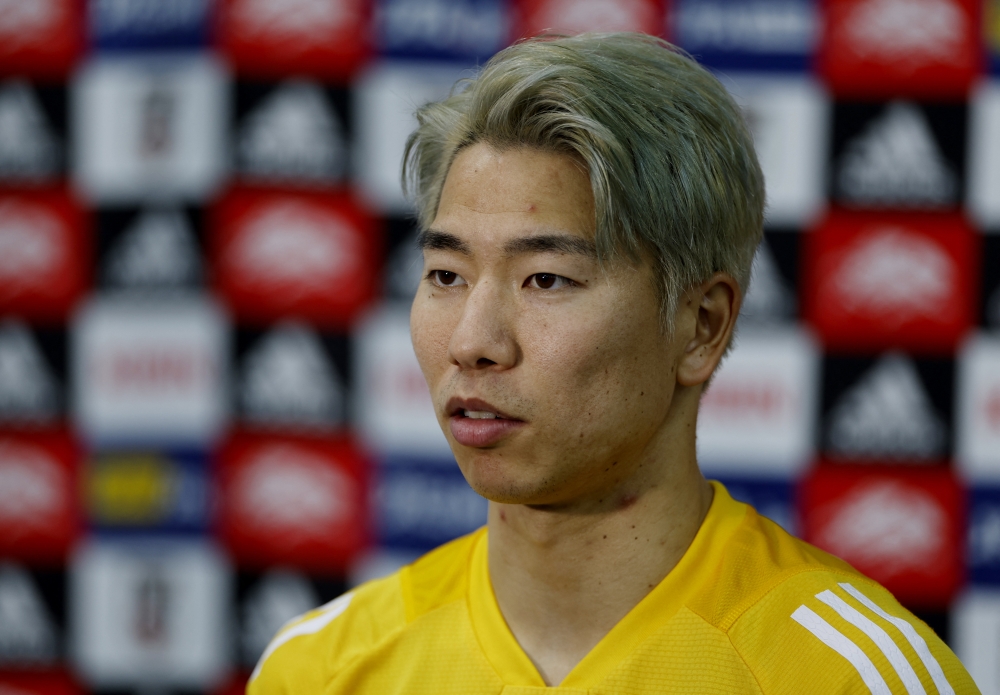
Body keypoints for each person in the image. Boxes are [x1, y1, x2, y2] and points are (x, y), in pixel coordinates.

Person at [247, 33, 978, 694]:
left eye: (547, 280)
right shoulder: (320, 669)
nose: (473, 340)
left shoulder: (846, 675)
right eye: (446, 274)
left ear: (702, 326)